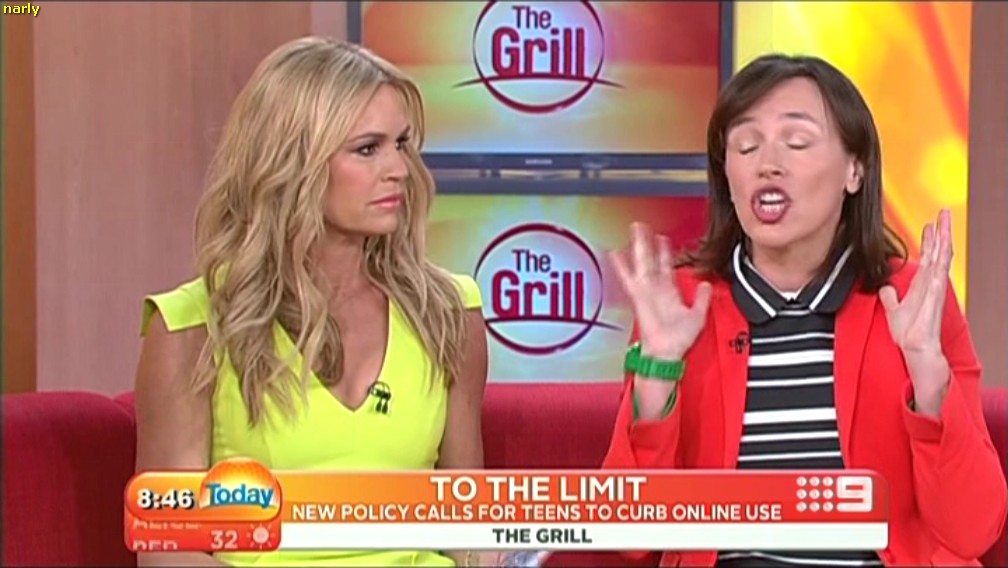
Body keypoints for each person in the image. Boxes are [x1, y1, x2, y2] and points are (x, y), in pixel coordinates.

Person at [605, 53, 1006, 567]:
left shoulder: (913, 299)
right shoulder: (683, 304)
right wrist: (658, 369)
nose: (767, 163)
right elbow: (629, 533)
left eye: (796, 142)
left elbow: (972, 530)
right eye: (745, 145)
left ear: (855, 170)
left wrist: (927, 371)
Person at [133, 37, 493, 567]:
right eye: (367, 149)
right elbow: (169, 553)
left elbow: (467, 527)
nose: (399, 168)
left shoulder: (447, 314)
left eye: (402, 144)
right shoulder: (192, 329)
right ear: (293, 163)